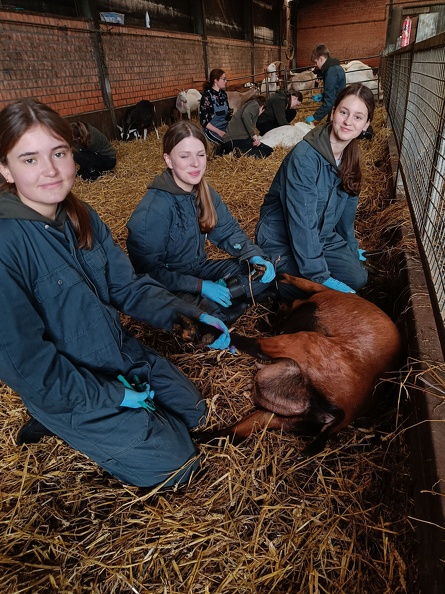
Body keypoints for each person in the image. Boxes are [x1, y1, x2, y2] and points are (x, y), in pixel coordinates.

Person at [0, 98, 232, 489]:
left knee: (196, 413)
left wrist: (186, 316)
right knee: (178, 465)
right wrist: (109, 396)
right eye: (29, 159)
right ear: (5, 168)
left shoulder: (81, 215)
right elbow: (28, 364)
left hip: (116, 351)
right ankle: (56, 419)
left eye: (58, 153)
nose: (51, 170)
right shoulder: (7, 246)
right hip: (70, 383)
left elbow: (127, 286)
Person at [126, 120, 276, 325]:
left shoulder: (204, 192)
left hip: (199, 269)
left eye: (201, 154)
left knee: (258, 270)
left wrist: (254, 256)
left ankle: (220, 304)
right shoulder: (154, 211)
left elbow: (229, 232)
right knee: (184, 311)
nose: (195, 164)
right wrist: (201, 286)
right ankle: (221, 303)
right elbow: (148, 273)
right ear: (169, 160)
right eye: (185, 156)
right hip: (169, 284)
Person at [255, 83, 374, 303]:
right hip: (280, 239)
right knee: (320, 290)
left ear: (366, 125)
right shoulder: (305, 158)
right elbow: (302, 222)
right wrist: (320, 276)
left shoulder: (351, 158)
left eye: (358, 117)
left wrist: (351, 247)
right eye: (344, 112)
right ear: (332, 113)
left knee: (357, 278)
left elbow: (346, 218)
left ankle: (303, 280)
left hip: (321, 236)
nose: (348, 122)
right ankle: (269, 286)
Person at [306, 44, 346, 125]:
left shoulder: (331, 71)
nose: (315, 65)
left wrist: (315, 117)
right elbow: (335, 89)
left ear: (320, 58)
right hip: (339, 104)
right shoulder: (336, 67)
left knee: (330, 126)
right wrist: (323, 95)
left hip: (336, 106)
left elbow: (329, 101)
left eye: (315, 62)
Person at [199, 68, 230, 152]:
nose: (225, 81)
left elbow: (227, 115)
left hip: (225, 127)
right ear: (215, 80)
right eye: (223, 79)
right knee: (225, 145)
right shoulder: (207, 96)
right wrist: (219, 132)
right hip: (212, 130)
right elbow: (203, 121)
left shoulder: (223, 94)